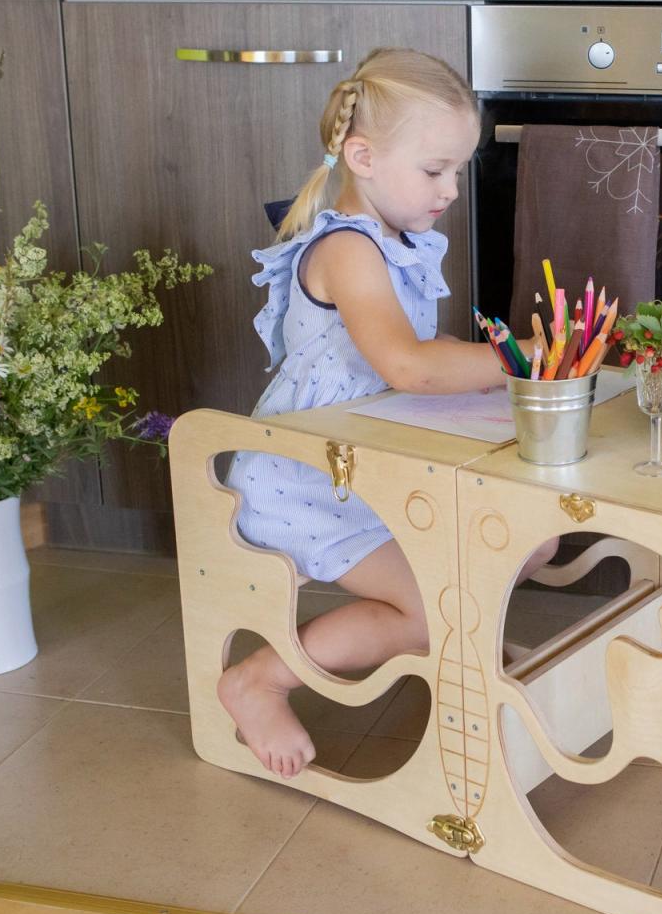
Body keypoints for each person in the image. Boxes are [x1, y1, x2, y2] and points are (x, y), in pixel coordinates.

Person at [219, 48, 558, 780]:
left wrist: (490, 375)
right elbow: (405, 364)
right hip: (308, 479)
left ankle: (462, 638)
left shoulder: (397, 241)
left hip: (369, 464)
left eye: (458, 170)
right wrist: (518, 358)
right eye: (435, 170)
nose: (450, 189)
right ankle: (261, 679)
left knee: (530, 545)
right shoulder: (347, 248)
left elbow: (414, 350)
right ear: (362, 155)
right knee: (430, 609)